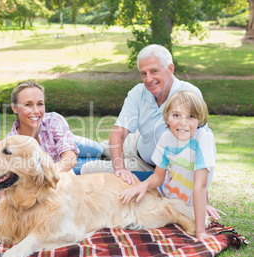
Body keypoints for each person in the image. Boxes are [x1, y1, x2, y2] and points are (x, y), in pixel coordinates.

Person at [80, 44, 222, 220]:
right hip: (136, 142)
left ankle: (72, 163)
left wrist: (204, 201)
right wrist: (120, 168)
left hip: (155, 167)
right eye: (143, 73)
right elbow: (118, 134)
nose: (148, 79)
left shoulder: (189, 94)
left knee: (87, 170)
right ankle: (71, 146)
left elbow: (201, 147)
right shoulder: (138, 92)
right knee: (99, 149)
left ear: (170, 69)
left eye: (154, 71)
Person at [119, 91, 221, 239]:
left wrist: (200, 232)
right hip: (166, 197)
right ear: (167, 118)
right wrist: (143, 186)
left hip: (188, 206)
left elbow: (200, 185)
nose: (183, 122)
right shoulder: (166, 137)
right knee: (126, 188)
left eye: (190, 116)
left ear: (199, 120)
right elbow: (158, 176)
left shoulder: (203, 138)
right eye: (176, 115)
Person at [8, 81, 79, 171]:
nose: (36, 111)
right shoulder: (10, 144)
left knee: (96, 150)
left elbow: (70, 158)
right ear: (14, 108)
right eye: (28, 105)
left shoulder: (54, 120)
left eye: (40, 104)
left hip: (62, 147)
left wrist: (51, 174)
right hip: (56, 171)